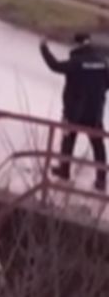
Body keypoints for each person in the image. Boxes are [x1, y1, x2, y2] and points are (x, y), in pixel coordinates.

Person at [40, 34, 109, 191]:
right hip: (95, 112)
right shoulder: (103, 63)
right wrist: (96, 93)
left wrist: (44, 48)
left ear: (76, 45)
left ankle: (64, 171)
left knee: (68, 140)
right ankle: (101, 179)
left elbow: (55, 66)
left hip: (75, 112)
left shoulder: (76, 62)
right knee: (98, 145)